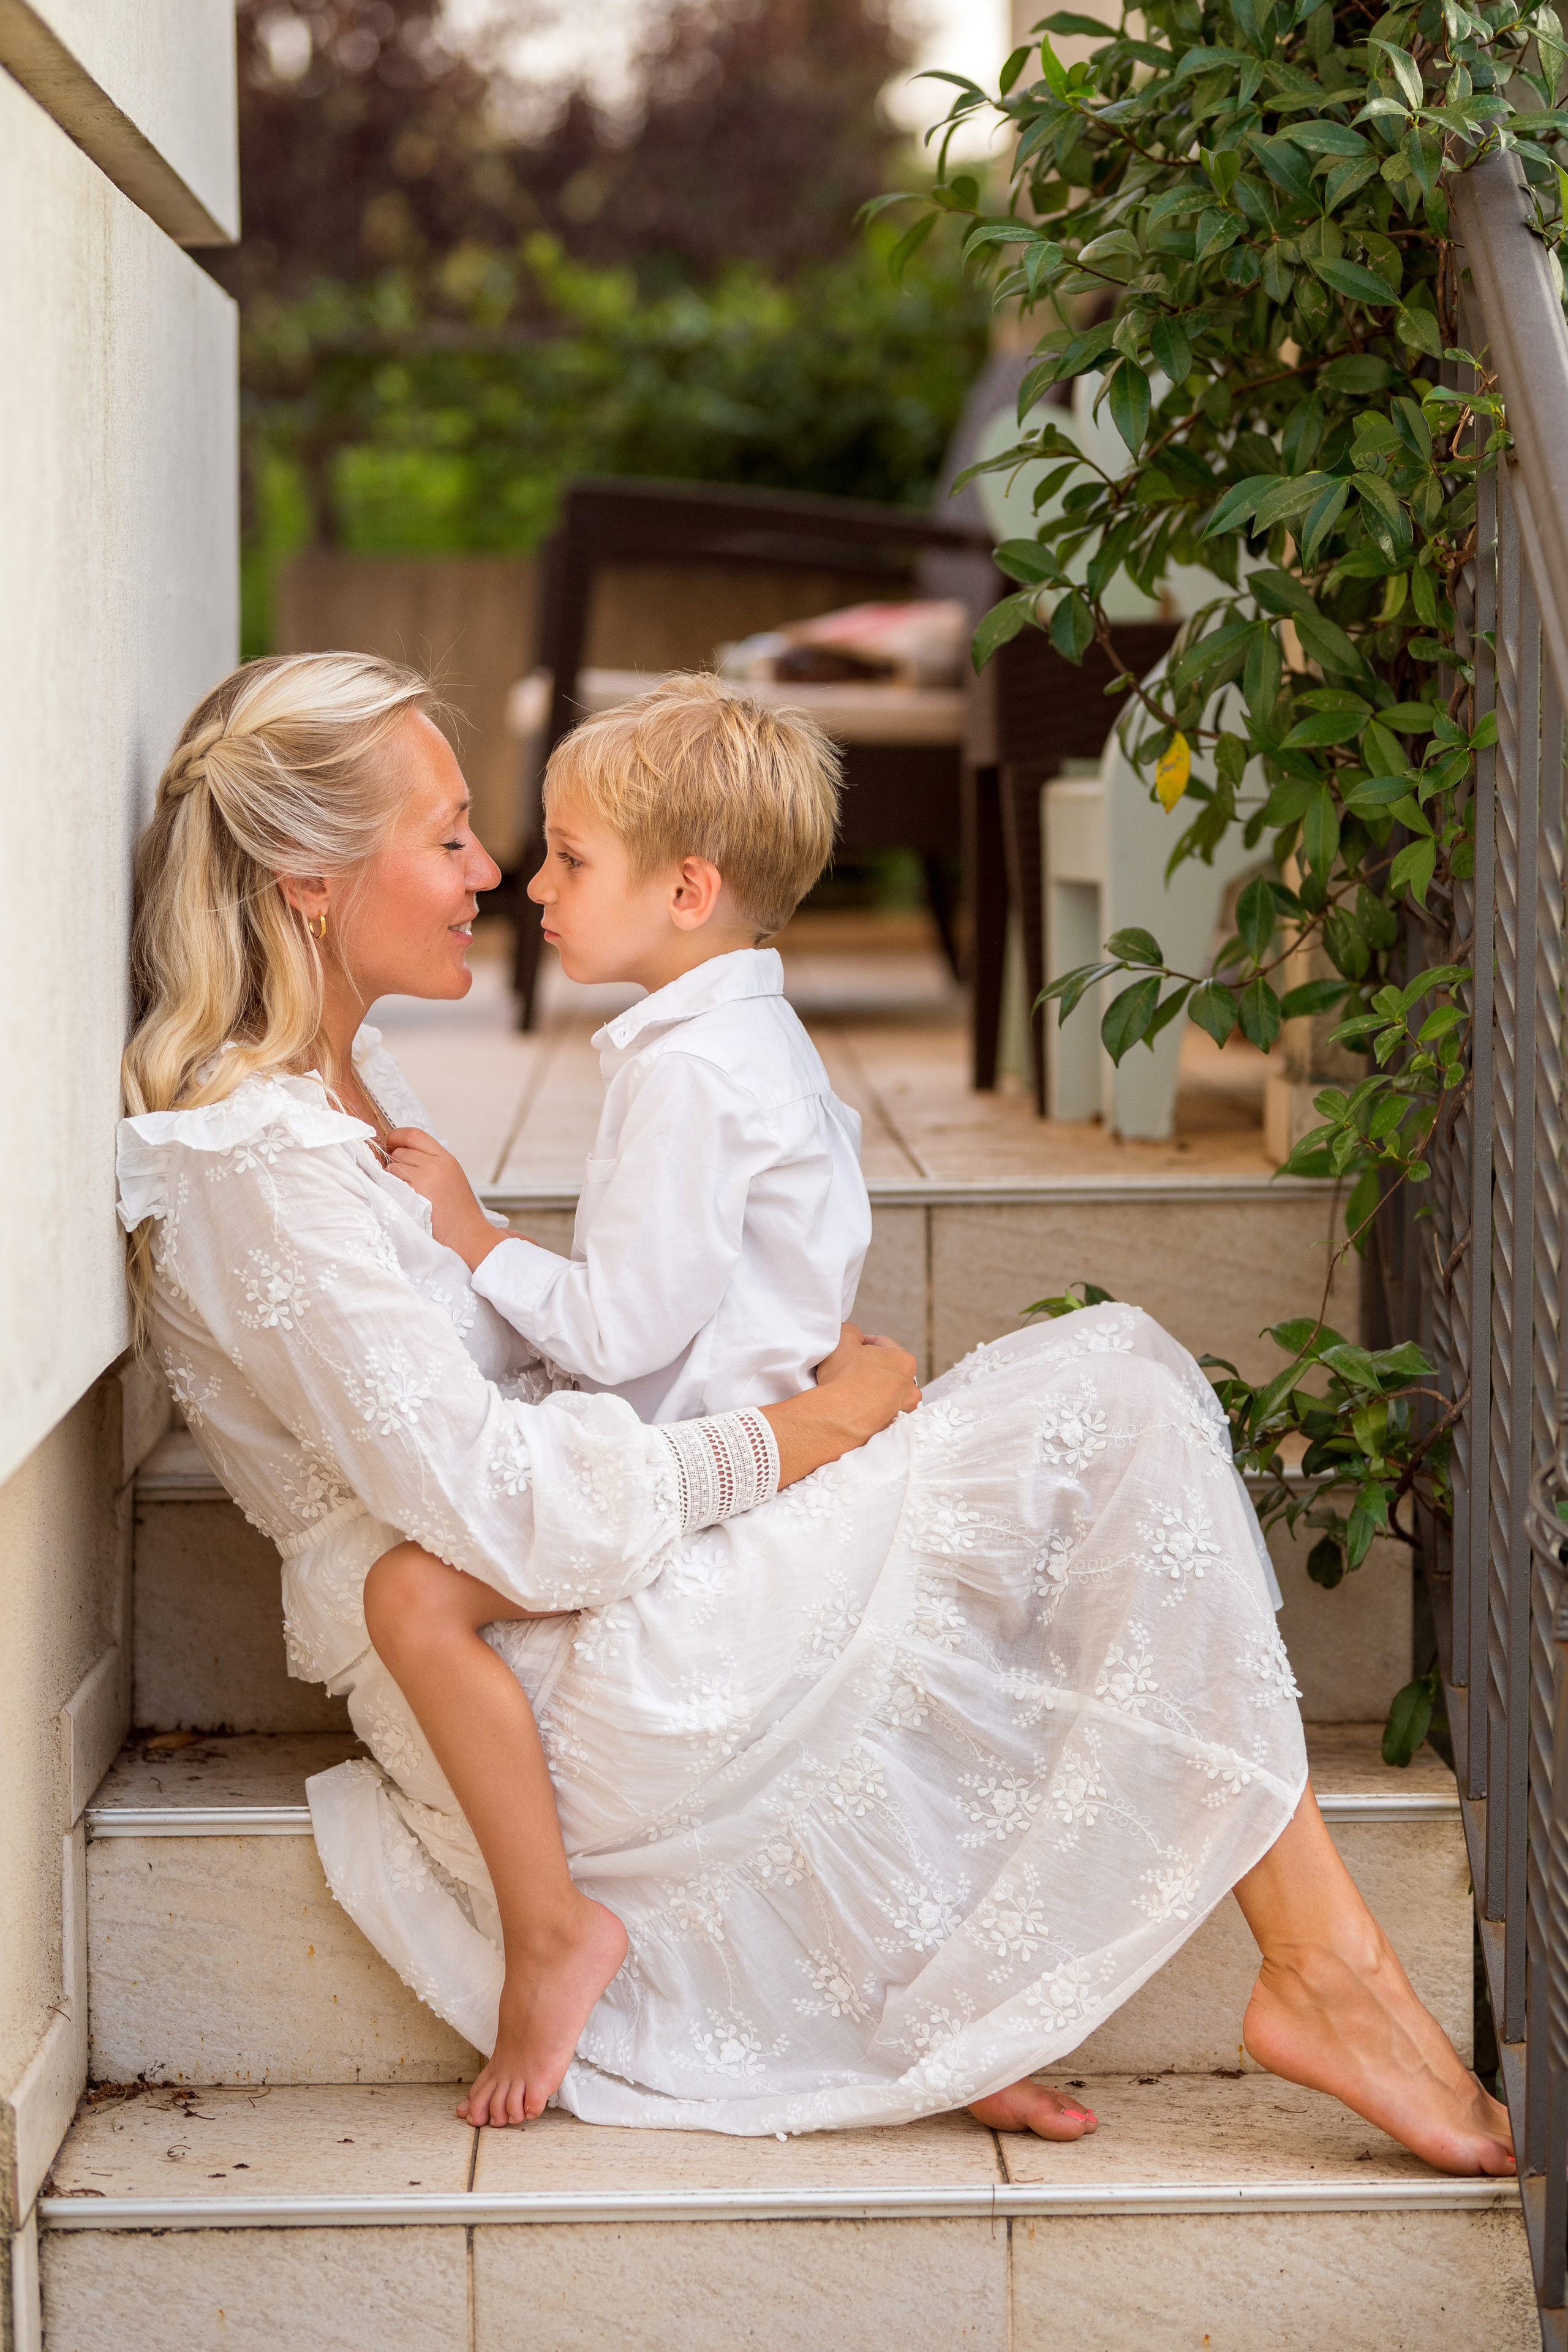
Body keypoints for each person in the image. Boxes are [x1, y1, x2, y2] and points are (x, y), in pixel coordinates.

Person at [117, 650, 1515, 2171]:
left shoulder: (350, 1084)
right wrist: (815, 1431)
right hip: (532, 1659)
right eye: (448, 835)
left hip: (570, 1572)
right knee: (1099, 1401)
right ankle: (1319, 1973)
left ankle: (1237, 1975)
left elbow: (559, 1378)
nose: (494, 868)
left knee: (1102, 1406)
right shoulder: (253, 1169)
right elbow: (508, 1506)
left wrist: (788, 1413)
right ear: (304, 876)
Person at [384, 672, 874, 1423]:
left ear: (686, 893)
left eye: (571, 859)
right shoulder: (752, 1044)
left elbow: (616, 1334)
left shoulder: (694, 1075)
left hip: (703, 1456)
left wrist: (474, 1236)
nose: (538, 886)